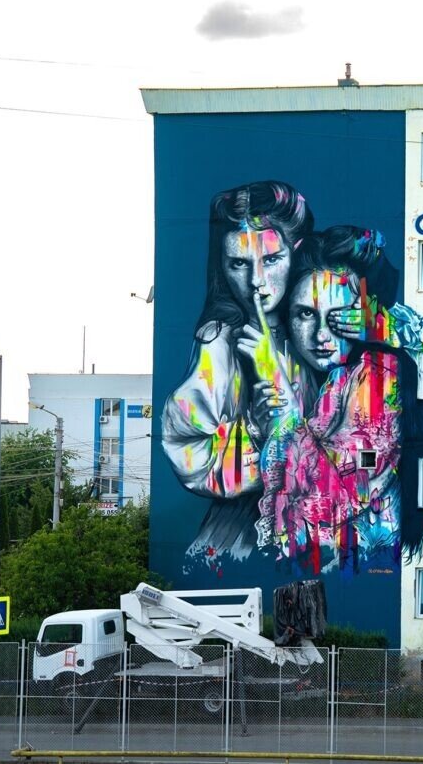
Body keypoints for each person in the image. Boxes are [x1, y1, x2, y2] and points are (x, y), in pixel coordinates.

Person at [250, 225, 423, 575]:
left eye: (340, 316)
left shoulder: (377, 378)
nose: (321, 335)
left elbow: (327, 498)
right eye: (306, 313)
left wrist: (284, 418)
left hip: (353, 560)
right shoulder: (318, 381)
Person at [161, 180, 313, 561]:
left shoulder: (313, 331)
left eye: (271, 260)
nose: (256, 281)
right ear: (223, 265)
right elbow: (184, 444)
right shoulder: (219, 341)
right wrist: (257, 440)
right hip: (243, 534)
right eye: (239, 263)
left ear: (295, 252)